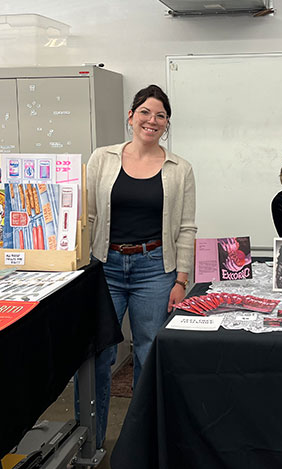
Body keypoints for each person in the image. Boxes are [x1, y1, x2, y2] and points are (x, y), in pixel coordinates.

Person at [83, 84, 197, 447]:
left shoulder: (180, 169)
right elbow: (86, 216)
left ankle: (142, 446)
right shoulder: (101, 159)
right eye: (145, 112)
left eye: (160, 115)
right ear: (131, 116)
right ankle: (91, 445)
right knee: (97, 354)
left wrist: (181, 279)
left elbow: (186, 227)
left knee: (149, 355)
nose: (152, 120)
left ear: (166, 124)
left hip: (154, 269)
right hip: (106, 268)